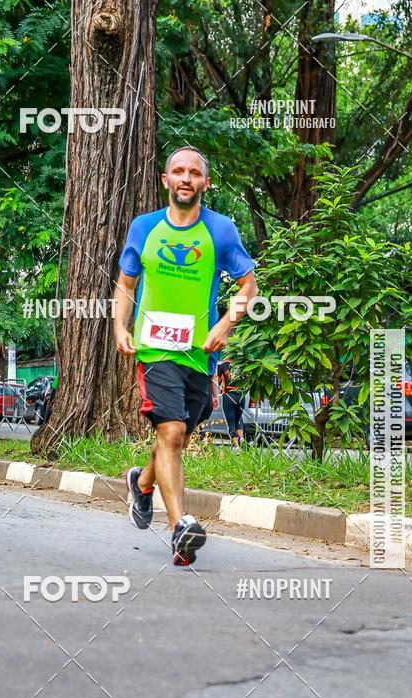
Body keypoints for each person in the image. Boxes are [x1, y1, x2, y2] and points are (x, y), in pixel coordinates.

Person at [114, 146, 258, 565]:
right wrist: (120, 327)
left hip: (199, 355)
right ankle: (180, 528)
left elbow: (249, 287)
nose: (185, 178)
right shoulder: (144, 228)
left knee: (174, 438)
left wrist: (225, 324)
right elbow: (126, 283)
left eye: (194, 173)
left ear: (205, 183)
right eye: (178, 171)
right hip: (155, 349)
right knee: (172, 432)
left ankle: (141, 484)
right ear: (166, 180)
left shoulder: (221, 230)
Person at [217, 355, 246, 448]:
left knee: (231, 423)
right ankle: (242, 438)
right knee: (238, 419)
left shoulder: (222, 366)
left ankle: (236, 446)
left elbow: (217, 381)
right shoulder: (242, 366)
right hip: (241, 395)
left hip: (229, 395)